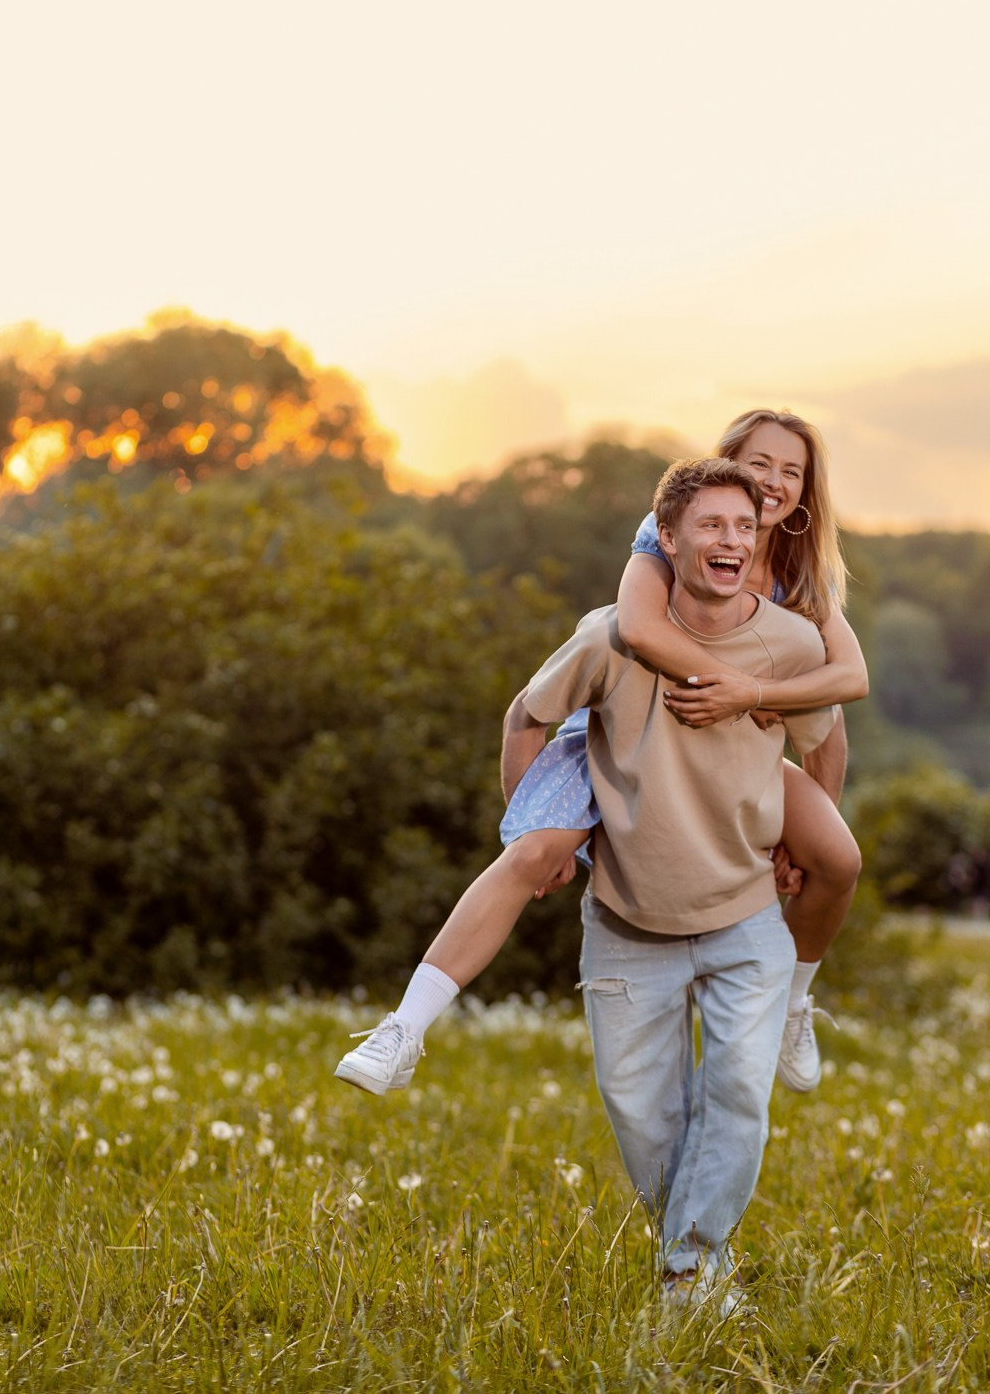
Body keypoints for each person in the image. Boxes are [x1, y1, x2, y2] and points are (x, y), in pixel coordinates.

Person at [334, 410, 866, 1097]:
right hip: (632, 729)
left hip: (729, 751)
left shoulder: (799, 577)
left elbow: (844, 691)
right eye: (759, 463)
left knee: (840, 858)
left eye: (792, 472)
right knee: (527, 854)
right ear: (728, 467)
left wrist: (755, 707)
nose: (773, 481)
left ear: (805, 493)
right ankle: (403, 1030)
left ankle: (793, 1005)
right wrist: (536, 825)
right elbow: (638, 628)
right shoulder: (667, 537)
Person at [501, 457, 839, 1299]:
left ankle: (689, 1271)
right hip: (625, 923)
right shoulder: (609, 634)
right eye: (712, 526)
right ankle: (696, 1257)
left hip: (747, 917)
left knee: (735, 1095)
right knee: (643, 1117)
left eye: (744, 527)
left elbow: (823, 737)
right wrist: (537, 837)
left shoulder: (792, 643)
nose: (732, 540)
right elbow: (526, 716)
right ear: (670, 538)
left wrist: (805, 833)